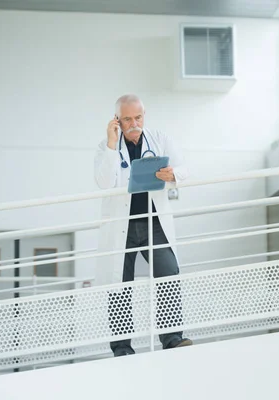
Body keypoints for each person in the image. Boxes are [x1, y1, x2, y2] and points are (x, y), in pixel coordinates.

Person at [94, 94, 192, 357]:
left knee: (169, 274)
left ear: (143, 116)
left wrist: (174, 175)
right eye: (127, 119)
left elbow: (184, 168)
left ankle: (172, 338)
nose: (134, 123)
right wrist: (113, 145)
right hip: (122, 227)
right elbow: (104, 182)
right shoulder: (106, 147)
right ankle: (122, 348)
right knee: (120, 286)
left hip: (153, 222)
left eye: (138, 117)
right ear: (117, 120)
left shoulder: (160, 139)